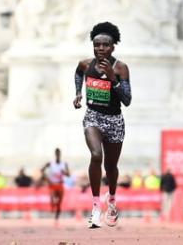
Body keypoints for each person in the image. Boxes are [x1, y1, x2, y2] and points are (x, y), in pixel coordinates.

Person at [73, 21, 132, 229]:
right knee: (96, 155)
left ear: (113, 46)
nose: (101, 49)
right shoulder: (85, 64)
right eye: (97, 45)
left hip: (114, 120)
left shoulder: (121, 68)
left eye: (105, 45)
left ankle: (112, 199)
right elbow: (79, 73)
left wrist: (113, 79)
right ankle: (96, 205)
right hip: (93, 117)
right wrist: (78, 92)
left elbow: (127, 100)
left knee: (111, 167)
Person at [41, 148, 69, 223]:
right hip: (52, 184)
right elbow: (41, 170)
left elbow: (68, 174)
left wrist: (64, 172)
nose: (58, 155)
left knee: (59, 203)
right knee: (53, 199)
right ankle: (53, 204)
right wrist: (47, 179)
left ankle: (56, 218)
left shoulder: (64, 163)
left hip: (60, 184)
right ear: (55, 154)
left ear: (60, 154)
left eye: (59, 153)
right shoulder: (50, 163)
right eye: (56, 153)